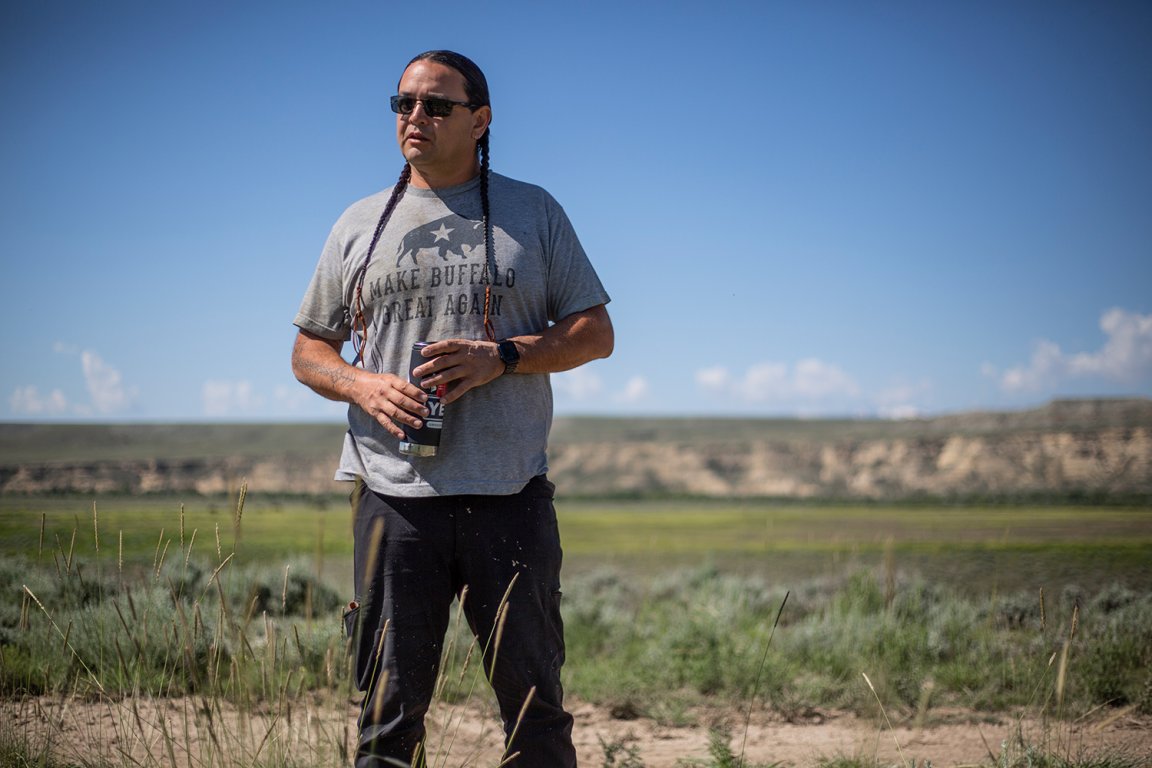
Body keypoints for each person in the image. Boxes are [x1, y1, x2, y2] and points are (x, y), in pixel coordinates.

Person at [291, 49, 613, 767]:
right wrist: (361, 385)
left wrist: (501, 357)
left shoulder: (534, 212)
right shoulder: (359, 223)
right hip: (394, 501)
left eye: (436, 106)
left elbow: (596, 333)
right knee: (387, 717)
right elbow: (309, 351)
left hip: (510, 496)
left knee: (535, 713)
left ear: (481, 120)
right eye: (404, 104)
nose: (416, 118)